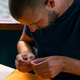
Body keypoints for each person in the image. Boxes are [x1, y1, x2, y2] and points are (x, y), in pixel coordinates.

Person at [8, 0, 80, 80]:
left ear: (51, 3)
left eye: (36, 22)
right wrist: (26, 53)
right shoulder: (34, 15)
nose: (32, 30)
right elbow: (25, 41)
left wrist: (64, 64)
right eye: (27, 25)